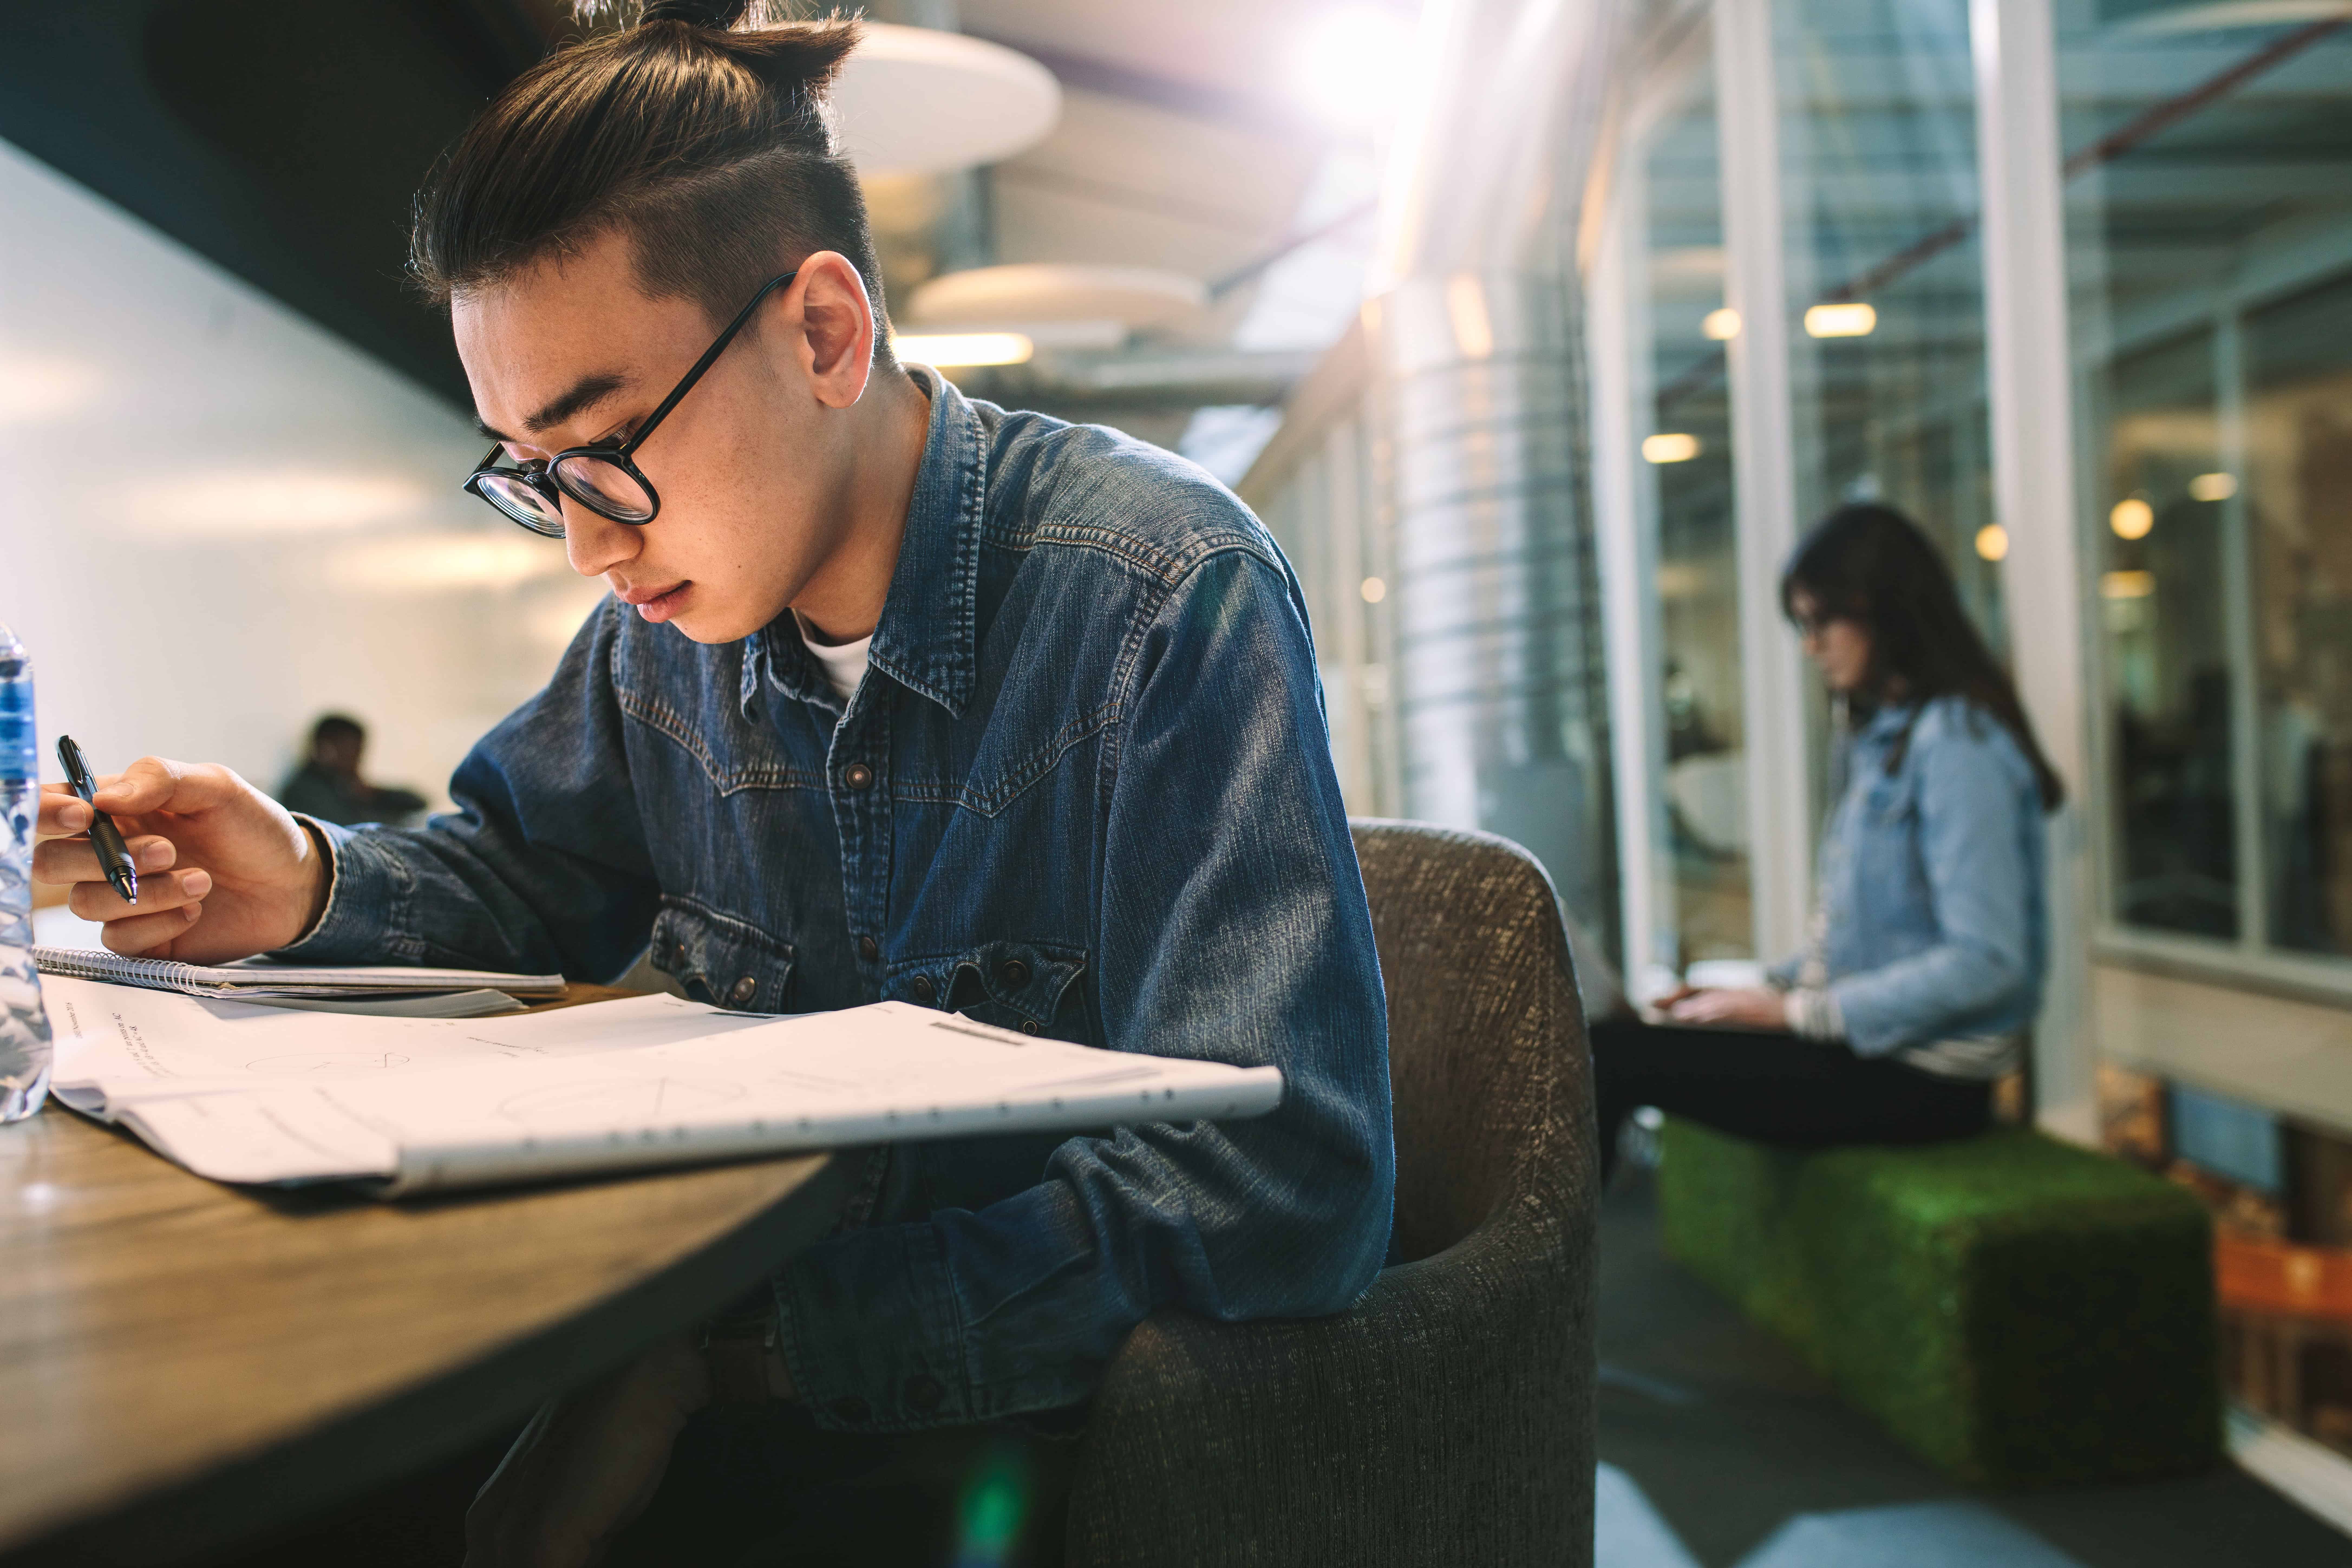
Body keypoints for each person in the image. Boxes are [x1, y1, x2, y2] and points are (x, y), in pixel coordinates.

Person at [31, 5, 1393, 1563]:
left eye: (604, 444)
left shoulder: (1158, 592)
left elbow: (1283, 1182)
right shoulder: (666, 629)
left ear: (824, 331)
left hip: (1001, 1439)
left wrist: (728, 1355)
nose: (590, 547)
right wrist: (310, 878)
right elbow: (520, 865)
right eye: (530, 476)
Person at [1589, 502, 2063, 1180]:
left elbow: (1989, 962)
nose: (1812, 646)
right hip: (1876, 1050)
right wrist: (1756, 990)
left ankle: (1553, 1281)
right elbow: (1864, 938)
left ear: (1887, 611)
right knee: (1631, 1038)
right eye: (1803, 625)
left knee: (1611, 1057)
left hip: (1925, 1079)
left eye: (1823, 621)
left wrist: (1794, 1011)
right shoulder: (1887, 734)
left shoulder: (1958, 744)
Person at [276, 714, 430, 827]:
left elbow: (418, 802)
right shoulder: (304, 790)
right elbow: (353, 831)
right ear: (325, 748)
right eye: (351, 751)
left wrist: (372, 793)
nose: (357, 760)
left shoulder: (345, 786)